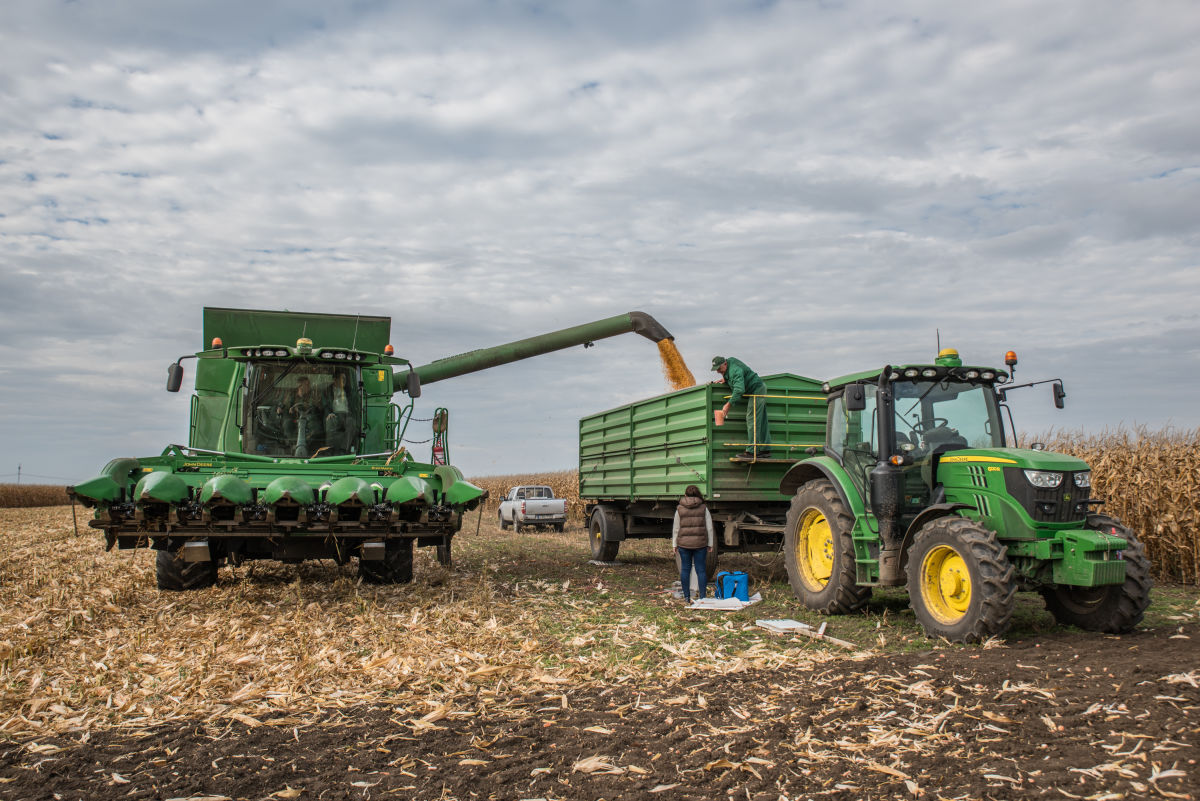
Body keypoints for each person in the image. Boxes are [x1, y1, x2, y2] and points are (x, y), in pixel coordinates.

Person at [712, 356, 772, 458]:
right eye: (716, 369)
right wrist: (725, 378)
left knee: (752, 418)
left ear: (725, 364)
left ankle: (752, 452)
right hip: (758, 388)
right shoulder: (730, 364)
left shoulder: (734, 370)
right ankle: (765, 450)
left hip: (757, 390)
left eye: (719, 369)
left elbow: (739, 390)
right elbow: (736, 374)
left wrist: (728, 405)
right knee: (760, 420)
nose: (718, 371)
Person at [672, 485, 714, 604]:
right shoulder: (704, 508)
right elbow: (709, 528)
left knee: (685, 569)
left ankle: (686, 597)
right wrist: (710, 543)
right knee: (701, 570)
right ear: (698, 495)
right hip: (700, 544)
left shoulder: (679, 508)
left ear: (685, 495)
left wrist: (674, 544)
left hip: (684, 545)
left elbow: (676, 528)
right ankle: (702, 597)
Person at [323, 371, 354, 454]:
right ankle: (329, 450)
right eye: (341, 379)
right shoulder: (328, 390)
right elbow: (325, 404)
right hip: (334, 414)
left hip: (347, 415)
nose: (344, 381)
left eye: (345, 379)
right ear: (335, 380)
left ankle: (344, 449)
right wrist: (328, 413)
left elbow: (354, 405)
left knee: (351, 422)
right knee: (330, 421)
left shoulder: (349, 390)